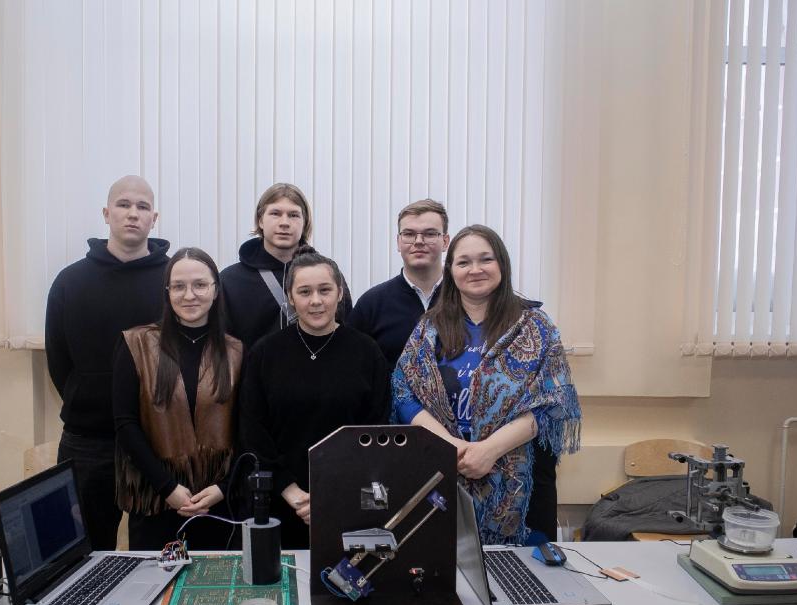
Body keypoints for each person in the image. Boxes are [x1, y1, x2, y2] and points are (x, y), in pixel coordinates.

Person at [391, 225, 580, 546]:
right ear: (451, 270)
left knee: (517, 573)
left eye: (485, 259)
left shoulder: (536, 326)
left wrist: (489, 450)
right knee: (445, 567)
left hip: (522, 485)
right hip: (442, 473)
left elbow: (553, 400)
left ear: (501, 265)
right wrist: (453, 447)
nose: (475, 269)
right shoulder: (429, 328)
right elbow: (403, 393)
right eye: (463, 262)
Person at [45, 175, 169, 550]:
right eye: (123, 204)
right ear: (106, 213)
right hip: (88, 441)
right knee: (82, 554)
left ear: (154, 218)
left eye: (142, 207)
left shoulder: (174, 282)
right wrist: (88, 396)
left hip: (157, 442)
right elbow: (59, 361)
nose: (133, 214)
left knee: (158, 557)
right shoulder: (70, 282)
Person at [239, 246, 389, 549]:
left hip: (349, 499)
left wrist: (334, 495)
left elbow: (376, 432)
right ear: (291, 298)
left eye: (325, 290)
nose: (316, 300)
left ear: (340, 293)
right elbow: (253, 431)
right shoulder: (265, 353)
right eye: (305, 292)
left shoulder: (367, 352)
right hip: (281, 503)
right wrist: (292, 492)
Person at [112, 248, 242, 551]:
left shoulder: (236, 351)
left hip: (216, 504)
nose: (189, 295)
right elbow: (125, 424)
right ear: (167, 292)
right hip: (156, 500)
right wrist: (167, 487)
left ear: (215, 291)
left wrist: (224, 488)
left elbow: (246, 428)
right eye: (179, 286)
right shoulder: (136, 343)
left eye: (200, 285)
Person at [220, 183, 351, 350]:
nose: (284, 223)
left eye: (293, 215)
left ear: (305, 222)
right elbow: (224, 344)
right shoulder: (230, 281)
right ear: (260, 220)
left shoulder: (328, 275)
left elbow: (346, 332)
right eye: (275, 213)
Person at [347, 199, 449, 370]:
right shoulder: (371, 304)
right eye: (409, 234)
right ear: (398, 242)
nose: (418, 241)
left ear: (445, 242)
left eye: (430, 234)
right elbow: (351, 367)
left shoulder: (466, 298)